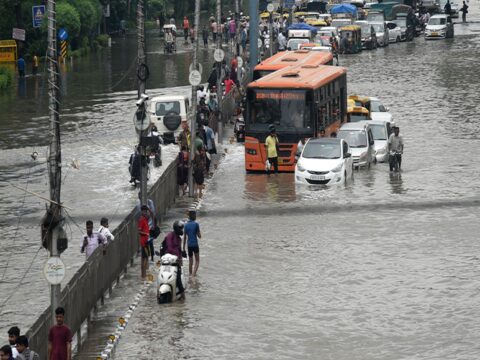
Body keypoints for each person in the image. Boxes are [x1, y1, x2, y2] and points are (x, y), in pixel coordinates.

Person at [162, 221, 186, 299]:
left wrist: (180, 258)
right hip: (168, 261)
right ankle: (182, 294)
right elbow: (169, 248)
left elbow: (179, 250)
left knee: (178, 276)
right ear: (177, 229)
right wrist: (176, 255)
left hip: (176, 262)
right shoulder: (170, 236)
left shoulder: (179, 239)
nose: (182, 230)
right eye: (181, 229)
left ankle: (181, 293)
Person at [183, 210, 201, 277]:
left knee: (190, 262)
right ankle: (193, 275)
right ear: (193, 216)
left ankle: (190, 275)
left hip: (189, 245)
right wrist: (197, 232)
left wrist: (183, 248)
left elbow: (184, 238)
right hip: (195, 245)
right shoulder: (196, 224)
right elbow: (199, 236)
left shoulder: (186, 225)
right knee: (197, 260)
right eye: (195, 215)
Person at [138, 205, 150, 279]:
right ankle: (144, 276)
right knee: (145, 258)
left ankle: (143, 275)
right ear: (142, 211)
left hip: (146, 241)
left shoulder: (145, 219)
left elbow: (152, 215)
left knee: (144, 258)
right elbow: (139, 231)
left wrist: (149, 210)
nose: (146, 213)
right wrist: (146, 234)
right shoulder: (142, 220)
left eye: (146, 211)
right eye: (144, 211)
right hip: (144, 241)